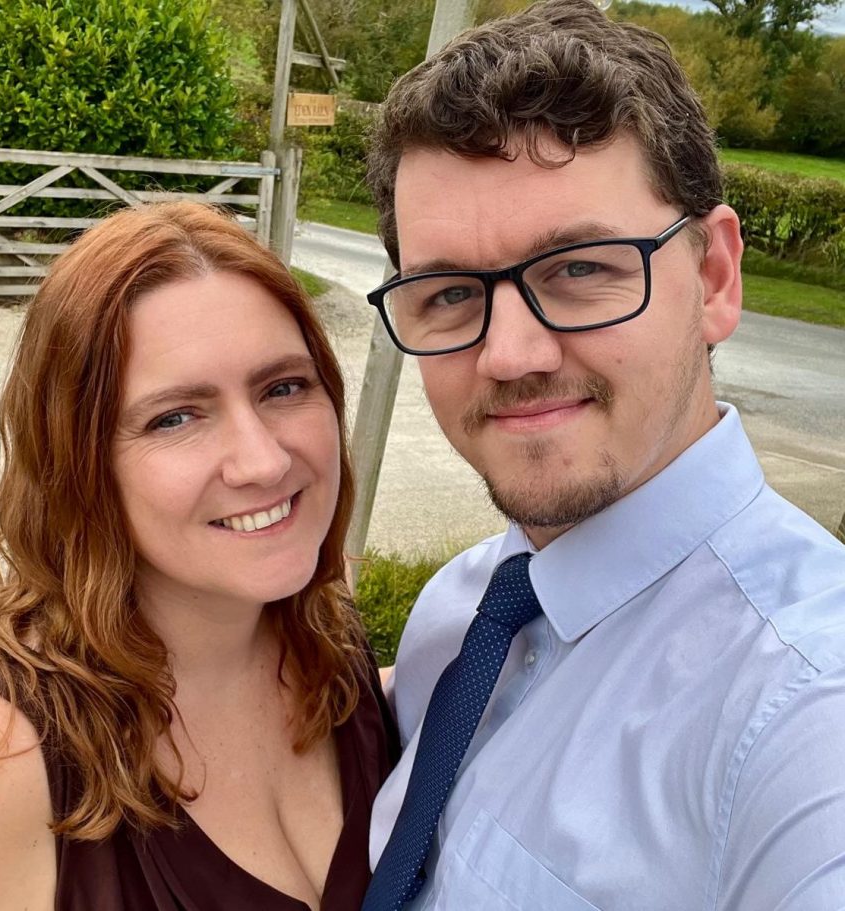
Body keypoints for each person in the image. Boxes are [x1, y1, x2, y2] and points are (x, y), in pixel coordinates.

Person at [361, 1, 845, 909]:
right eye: (450, 292)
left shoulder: (803, 709)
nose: (509, 355)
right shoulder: (460, 611)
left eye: (580, 269)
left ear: (713, 277)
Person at [0, 201, 398, 911]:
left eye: (283, 387)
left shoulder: (331, 647)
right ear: (77, 461)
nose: (264, 461)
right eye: (174, 417)